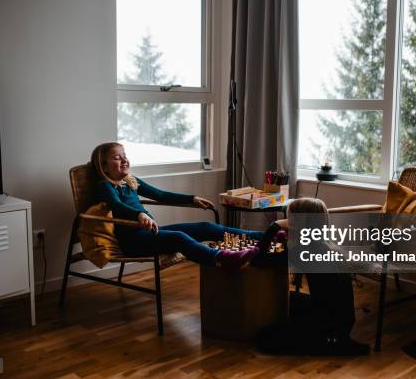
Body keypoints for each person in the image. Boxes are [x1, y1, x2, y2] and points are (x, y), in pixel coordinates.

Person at [91, 142, 263, 271]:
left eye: (124, 155)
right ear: (103, 166)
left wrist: (191, 199)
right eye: (116, 157)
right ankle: (221, 259)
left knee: (206, 227)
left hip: (151, 232)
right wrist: (139, 215)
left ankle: (260, 237)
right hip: (133, 241)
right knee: (178, 237)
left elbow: (161, 195)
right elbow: (116, 205)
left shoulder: (131, 181)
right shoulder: (105, 186)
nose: (124, 159)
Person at [257, 198, 369, 355]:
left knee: (264, 337)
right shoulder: (326, 244)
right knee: (288, 297)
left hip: (329, 324)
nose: (289, 222)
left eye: (292, 218)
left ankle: (331, 343)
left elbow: (259, 259)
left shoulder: (304, 250)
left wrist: (274, 226)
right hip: (342, 320)